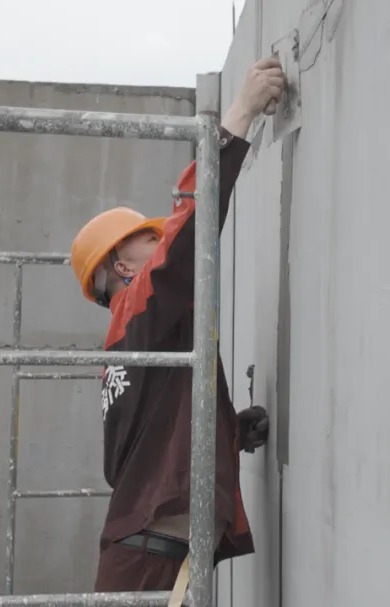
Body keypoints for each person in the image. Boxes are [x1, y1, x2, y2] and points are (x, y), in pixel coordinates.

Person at [68, 57, 283, 593]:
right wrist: (240, 114)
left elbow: (153, 438)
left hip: (143, 555)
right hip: (147, 560)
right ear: (122, 266)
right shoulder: (138, 307)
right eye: (147, 238)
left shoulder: (128, 340)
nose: (159, 237)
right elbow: (187, 236)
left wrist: (229, 431)